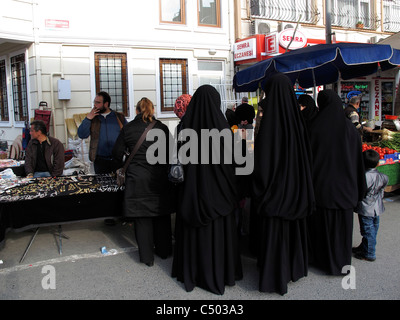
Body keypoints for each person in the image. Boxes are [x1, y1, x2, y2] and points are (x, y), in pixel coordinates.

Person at [171, 85, 243, 295]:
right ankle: (222, 272)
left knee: (194, 233)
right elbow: (233, 163)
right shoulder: (223, 128)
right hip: (220, 195)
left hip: (192, 195)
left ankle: (193, 272)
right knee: (219, 233)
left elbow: (179, 161)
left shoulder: (185, 128)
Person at [250, 73, 315, 295]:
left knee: (274, 235)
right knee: (292, 231)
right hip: (295, 193)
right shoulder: (298, 124)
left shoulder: (269, 125)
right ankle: (294, 269)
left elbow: (262, 164)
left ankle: (274, 275)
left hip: (273, 196)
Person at [307, 89, 367, 275]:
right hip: (346, 189)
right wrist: (360, 188)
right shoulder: (349, 128)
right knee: (342, 229)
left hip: (321, 188)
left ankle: (321, 260)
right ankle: (341, 263)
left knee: (321, 228)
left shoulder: (314, 127)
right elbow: (358, 160)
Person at [112, 97, 173, 267]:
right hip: (159, 178)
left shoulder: (128, 128)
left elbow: (116, 153)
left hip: (137, 179)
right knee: (161, 216)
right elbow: (172, 152)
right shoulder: (161, 128)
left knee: (142, 219)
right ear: (152, 110)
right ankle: (164, 251)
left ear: (137, 110)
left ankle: (147, 258)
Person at [77, 91, 127, 174]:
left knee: (118, 184)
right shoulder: (93, 118)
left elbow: (128, 134)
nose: (95, 105)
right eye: (94, 102)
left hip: (117, 159)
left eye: (98, 102)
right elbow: (82, 134)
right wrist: (88, 118)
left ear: (106, 104)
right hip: (100, 160)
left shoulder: (119, 117)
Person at [354, 149, 388, 262]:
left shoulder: (364, 177)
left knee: (367, 230)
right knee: (373, 228)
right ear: (378, 163)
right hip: (377, 207)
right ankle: (364, 247)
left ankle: (369, 253)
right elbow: (382, 191)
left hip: (366, 208)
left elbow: (361, 192)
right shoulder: (383, 176)